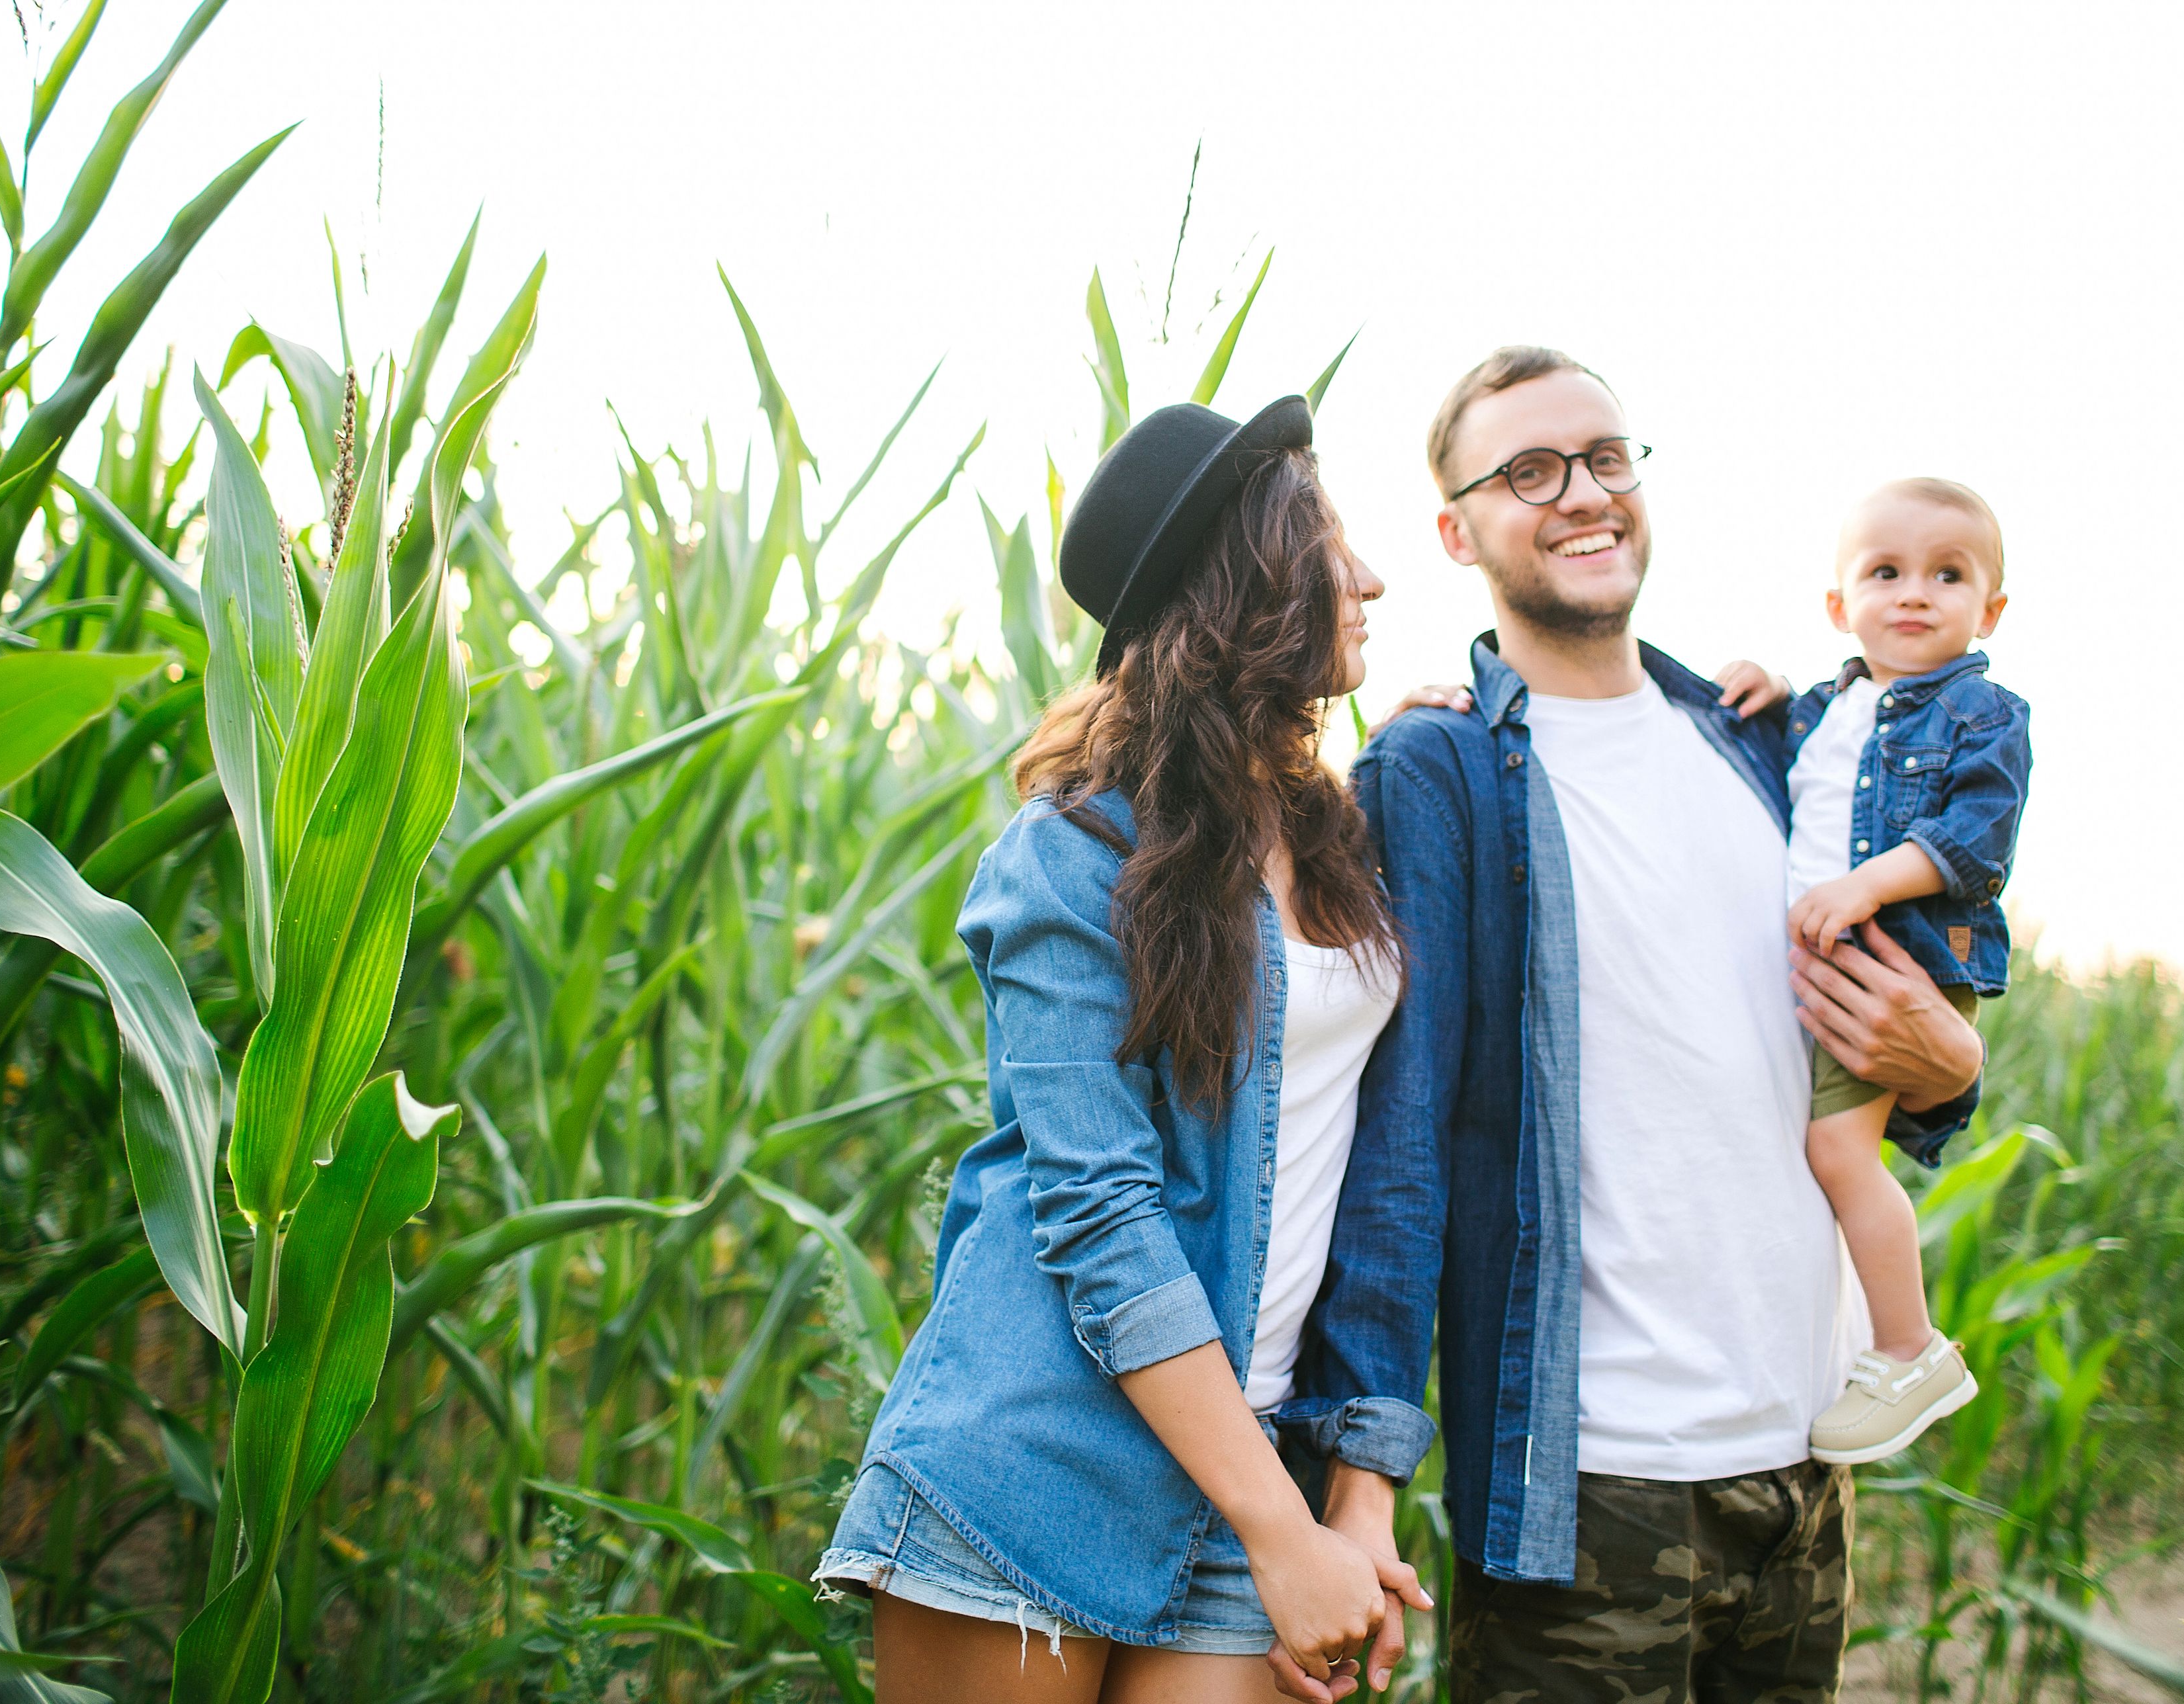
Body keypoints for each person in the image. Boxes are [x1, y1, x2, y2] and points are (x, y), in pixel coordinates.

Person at [1331, 348, 1986, 1701]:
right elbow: (1399, 1139)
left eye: (1605, 456)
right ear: (1456, 532)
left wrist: (1952, 1070)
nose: (1583, 494)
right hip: (1592, 1483)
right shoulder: (1441, 769)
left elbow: (1858, 1025)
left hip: (1804, 1463)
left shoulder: (1764, 744)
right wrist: (1364, 1476)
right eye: (1529, 472)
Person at [815, 396, 1434, 1704]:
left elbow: (1386, 1161)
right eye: (1333, 550)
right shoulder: (1071, 856)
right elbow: (1100, 1211)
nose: (1372, 580)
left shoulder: (1342, 836)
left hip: (1255, 1464)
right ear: (1249, 585)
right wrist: (1281, 1529)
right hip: (1041, 1470)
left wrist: (1344, 1490)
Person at [1714, 478, 2032, 1466]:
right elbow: (1790, 774)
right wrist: (1763, 689)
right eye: (1886, 573)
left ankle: (1909, 1350)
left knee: (1843, 1155)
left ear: (1991, 610)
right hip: (1831, 966)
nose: (1916, 593)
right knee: (1807, 1145)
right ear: (1838, 604)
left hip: (1903, 963)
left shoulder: (1982, 712)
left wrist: (1864, 887)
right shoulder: (1828, 709)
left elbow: (1975, 840)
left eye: (1949, 575)